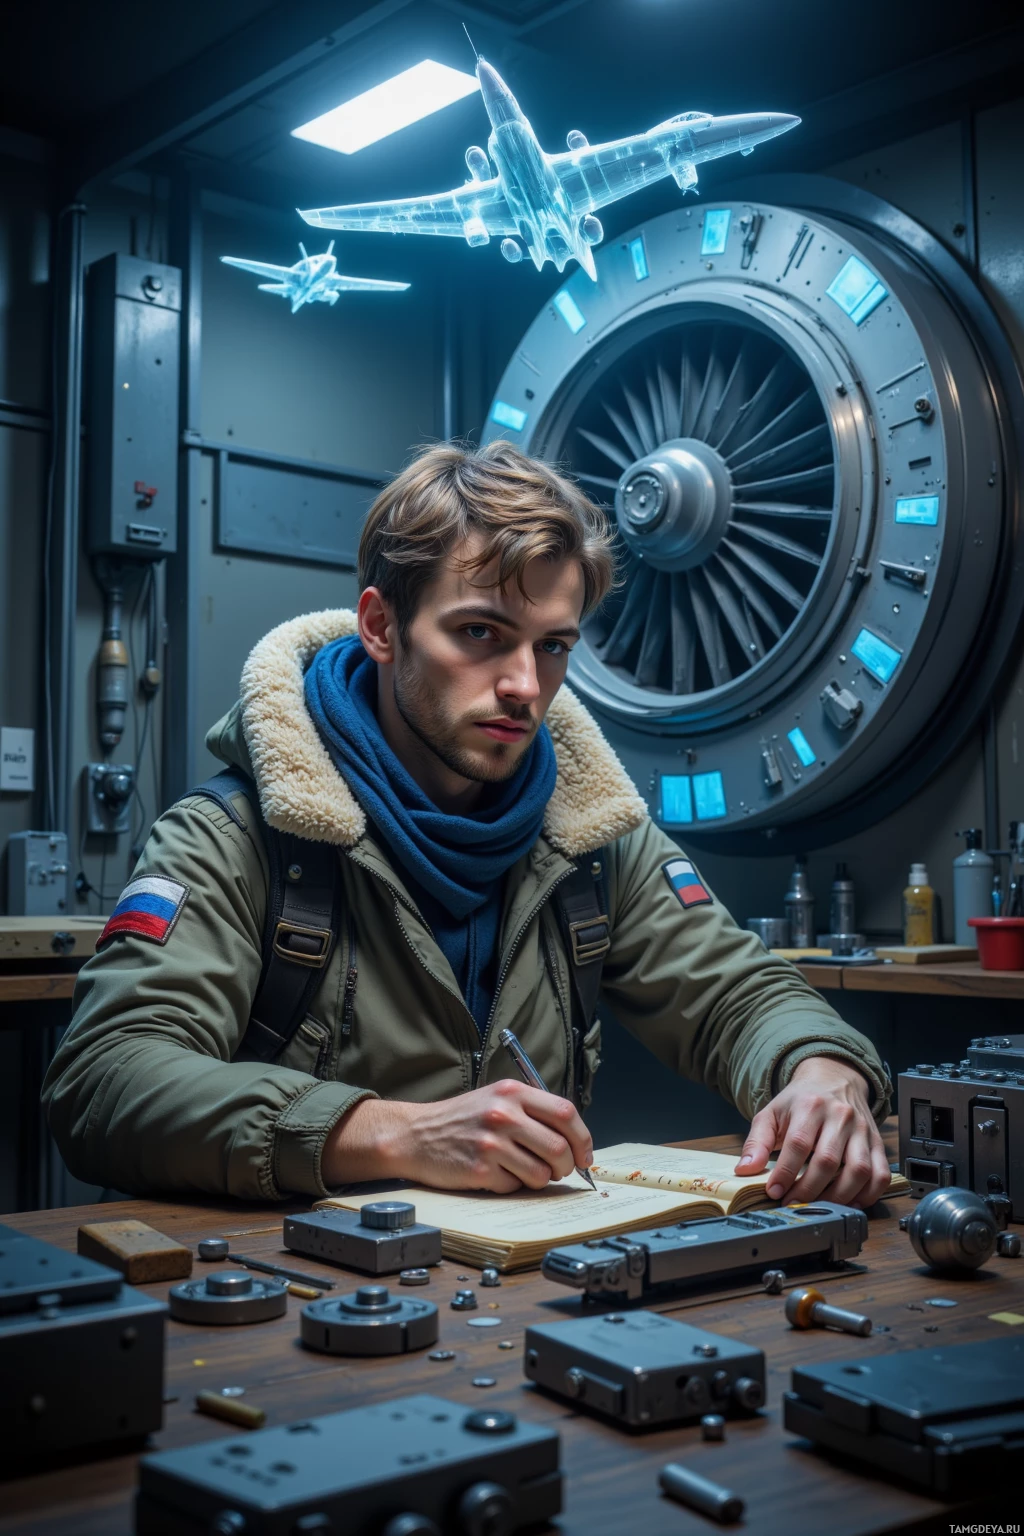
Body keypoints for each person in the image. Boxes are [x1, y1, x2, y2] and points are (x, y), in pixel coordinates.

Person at [44, 441, 892, 1207]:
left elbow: (736, 995)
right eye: (481, 633)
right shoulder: (234, 838)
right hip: (303, 1308)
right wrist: (390, 1134)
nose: (525, 683)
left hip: (531, 1307)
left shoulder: (592, 839)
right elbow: (105, 1080)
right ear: (382, 626)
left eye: (552, 645)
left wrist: (819, 1066)